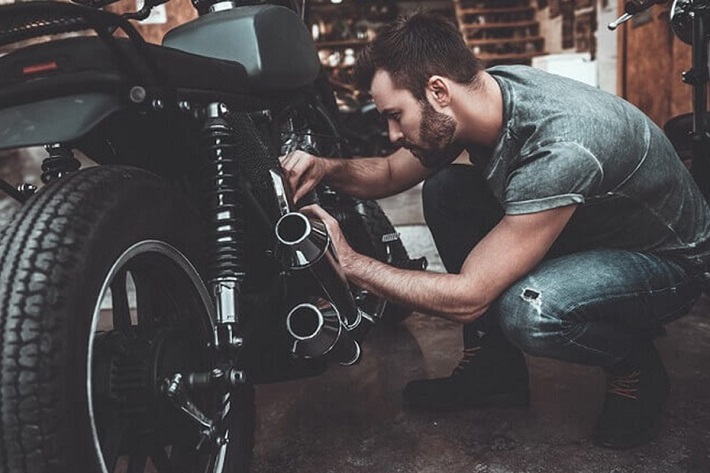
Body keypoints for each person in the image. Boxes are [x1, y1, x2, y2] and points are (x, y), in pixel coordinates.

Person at [280, 11, 710, 449]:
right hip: (592, 229)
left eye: (395, 115)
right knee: (446, 188)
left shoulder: (560, 144)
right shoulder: (481, 96)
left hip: (664, 263)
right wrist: (323, 168)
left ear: (437, 91)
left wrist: (350, 263)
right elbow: (391, 173)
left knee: (532, 309)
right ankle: (494, 368)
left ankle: (635, 367)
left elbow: (469, 296)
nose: (392, 134)